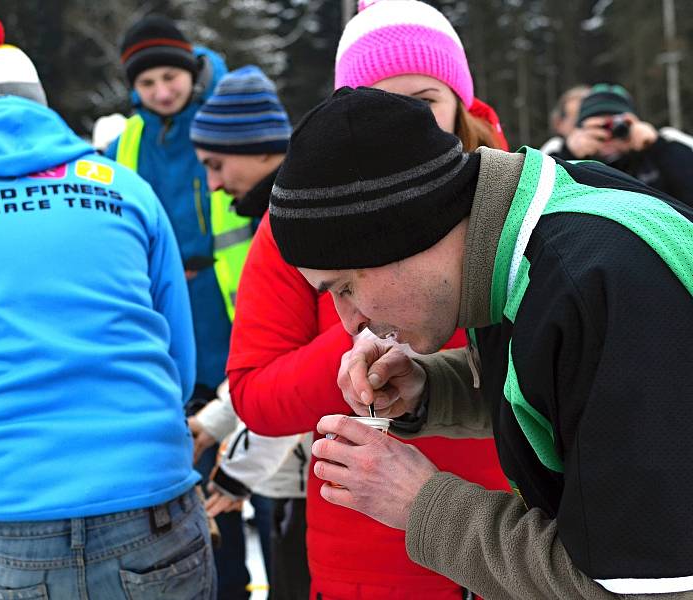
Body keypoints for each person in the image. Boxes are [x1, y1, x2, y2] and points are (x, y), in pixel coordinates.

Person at [267, 85, 693, 598]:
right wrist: (429, 388)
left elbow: (643, 590)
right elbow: (569, 389)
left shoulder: (601, 288)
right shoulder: (515, 237)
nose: (350, 322)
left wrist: (422, 504)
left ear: (403, 236)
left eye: (346, 287)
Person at [0, 12, 214, 599]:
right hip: (150, 500)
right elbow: (178, 356)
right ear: (38, 104)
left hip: (2, 519)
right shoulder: (122, 185)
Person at [228, 2, 511, 598]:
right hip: (369, 557)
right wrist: (376, 316)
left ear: (461, 99)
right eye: (380, 102)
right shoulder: (299, 224)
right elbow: (258, 396)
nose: (407, 124)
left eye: (425, 99)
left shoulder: (515, 204)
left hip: (518, 541)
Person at [106, 16, 260, 599]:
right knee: (183, 446)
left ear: (190, 73)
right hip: (159, 305)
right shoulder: (126, 139)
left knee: (242, 436)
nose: (161, 92)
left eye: (170, 77)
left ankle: (242, 577)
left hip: (226, 304)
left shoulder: (217, 118)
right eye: (148, 85)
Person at [190, 64, 310, 600]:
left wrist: (237, 472)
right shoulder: (266, 215)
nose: (213, 183)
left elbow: (301, 373)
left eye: (217, 164)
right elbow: (268, 352)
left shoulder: (299, 225)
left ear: (263, 149)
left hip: (310, 477)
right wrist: (217, 421)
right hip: (290, 468)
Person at [549, 83, 693, 206]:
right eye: (600, 128)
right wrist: (569, 155)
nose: (609, 136)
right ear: (581, 130)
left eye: (618, 127)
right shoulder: (561, 154)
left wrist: (658, 147)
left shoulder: (658, 151)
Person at [539, 84, 589, 155]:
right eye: (574, 119)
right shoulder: (554, 150)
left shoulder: (607, 147)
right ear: (559, 123)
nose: (585, 125)